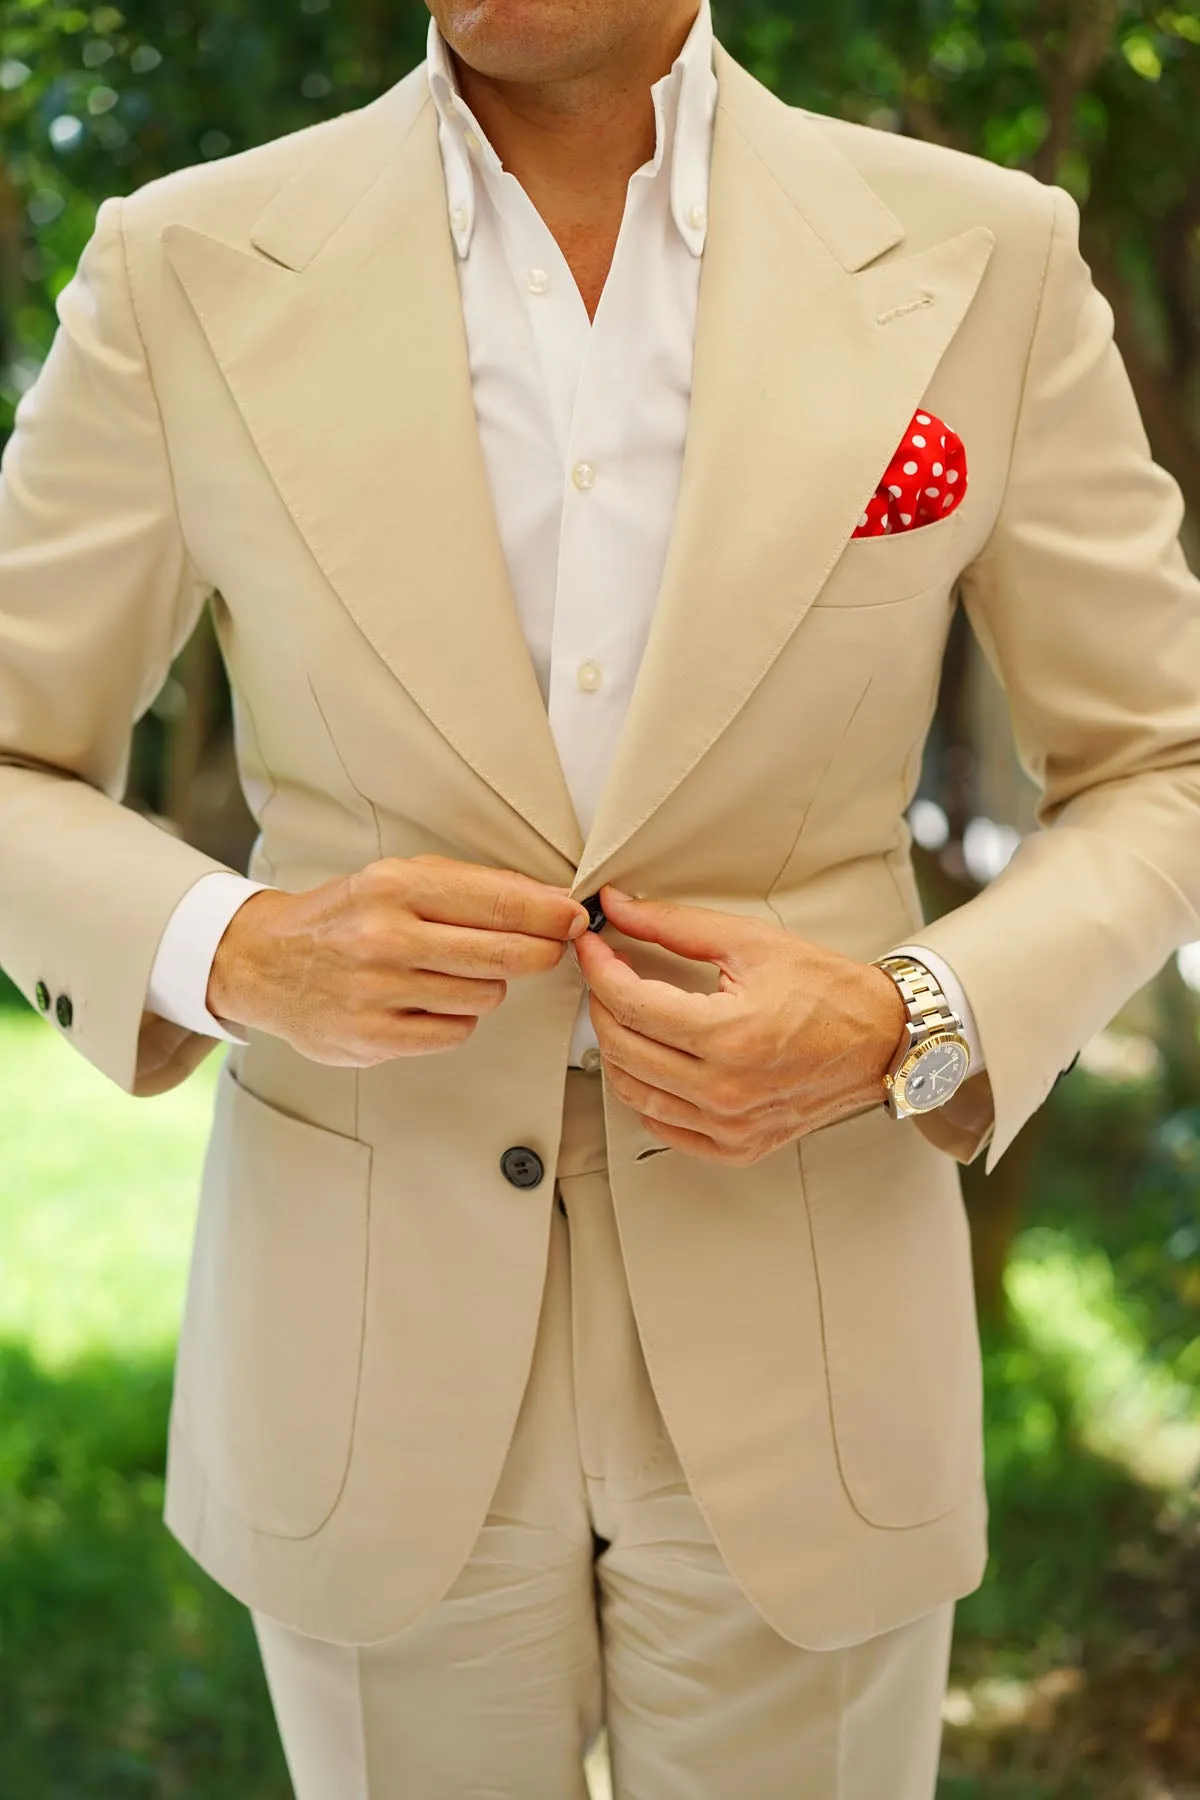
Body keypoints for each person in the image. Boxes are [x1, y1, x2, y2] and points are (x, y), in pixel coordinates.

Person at [2, 0, 1199, 1793]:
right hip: (361, 1332)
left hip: (816, 1310)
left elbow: (1161, 760)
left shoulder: (979, 256)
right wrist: (233, 950)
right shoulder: (184, 263)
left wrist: (906, 1014)